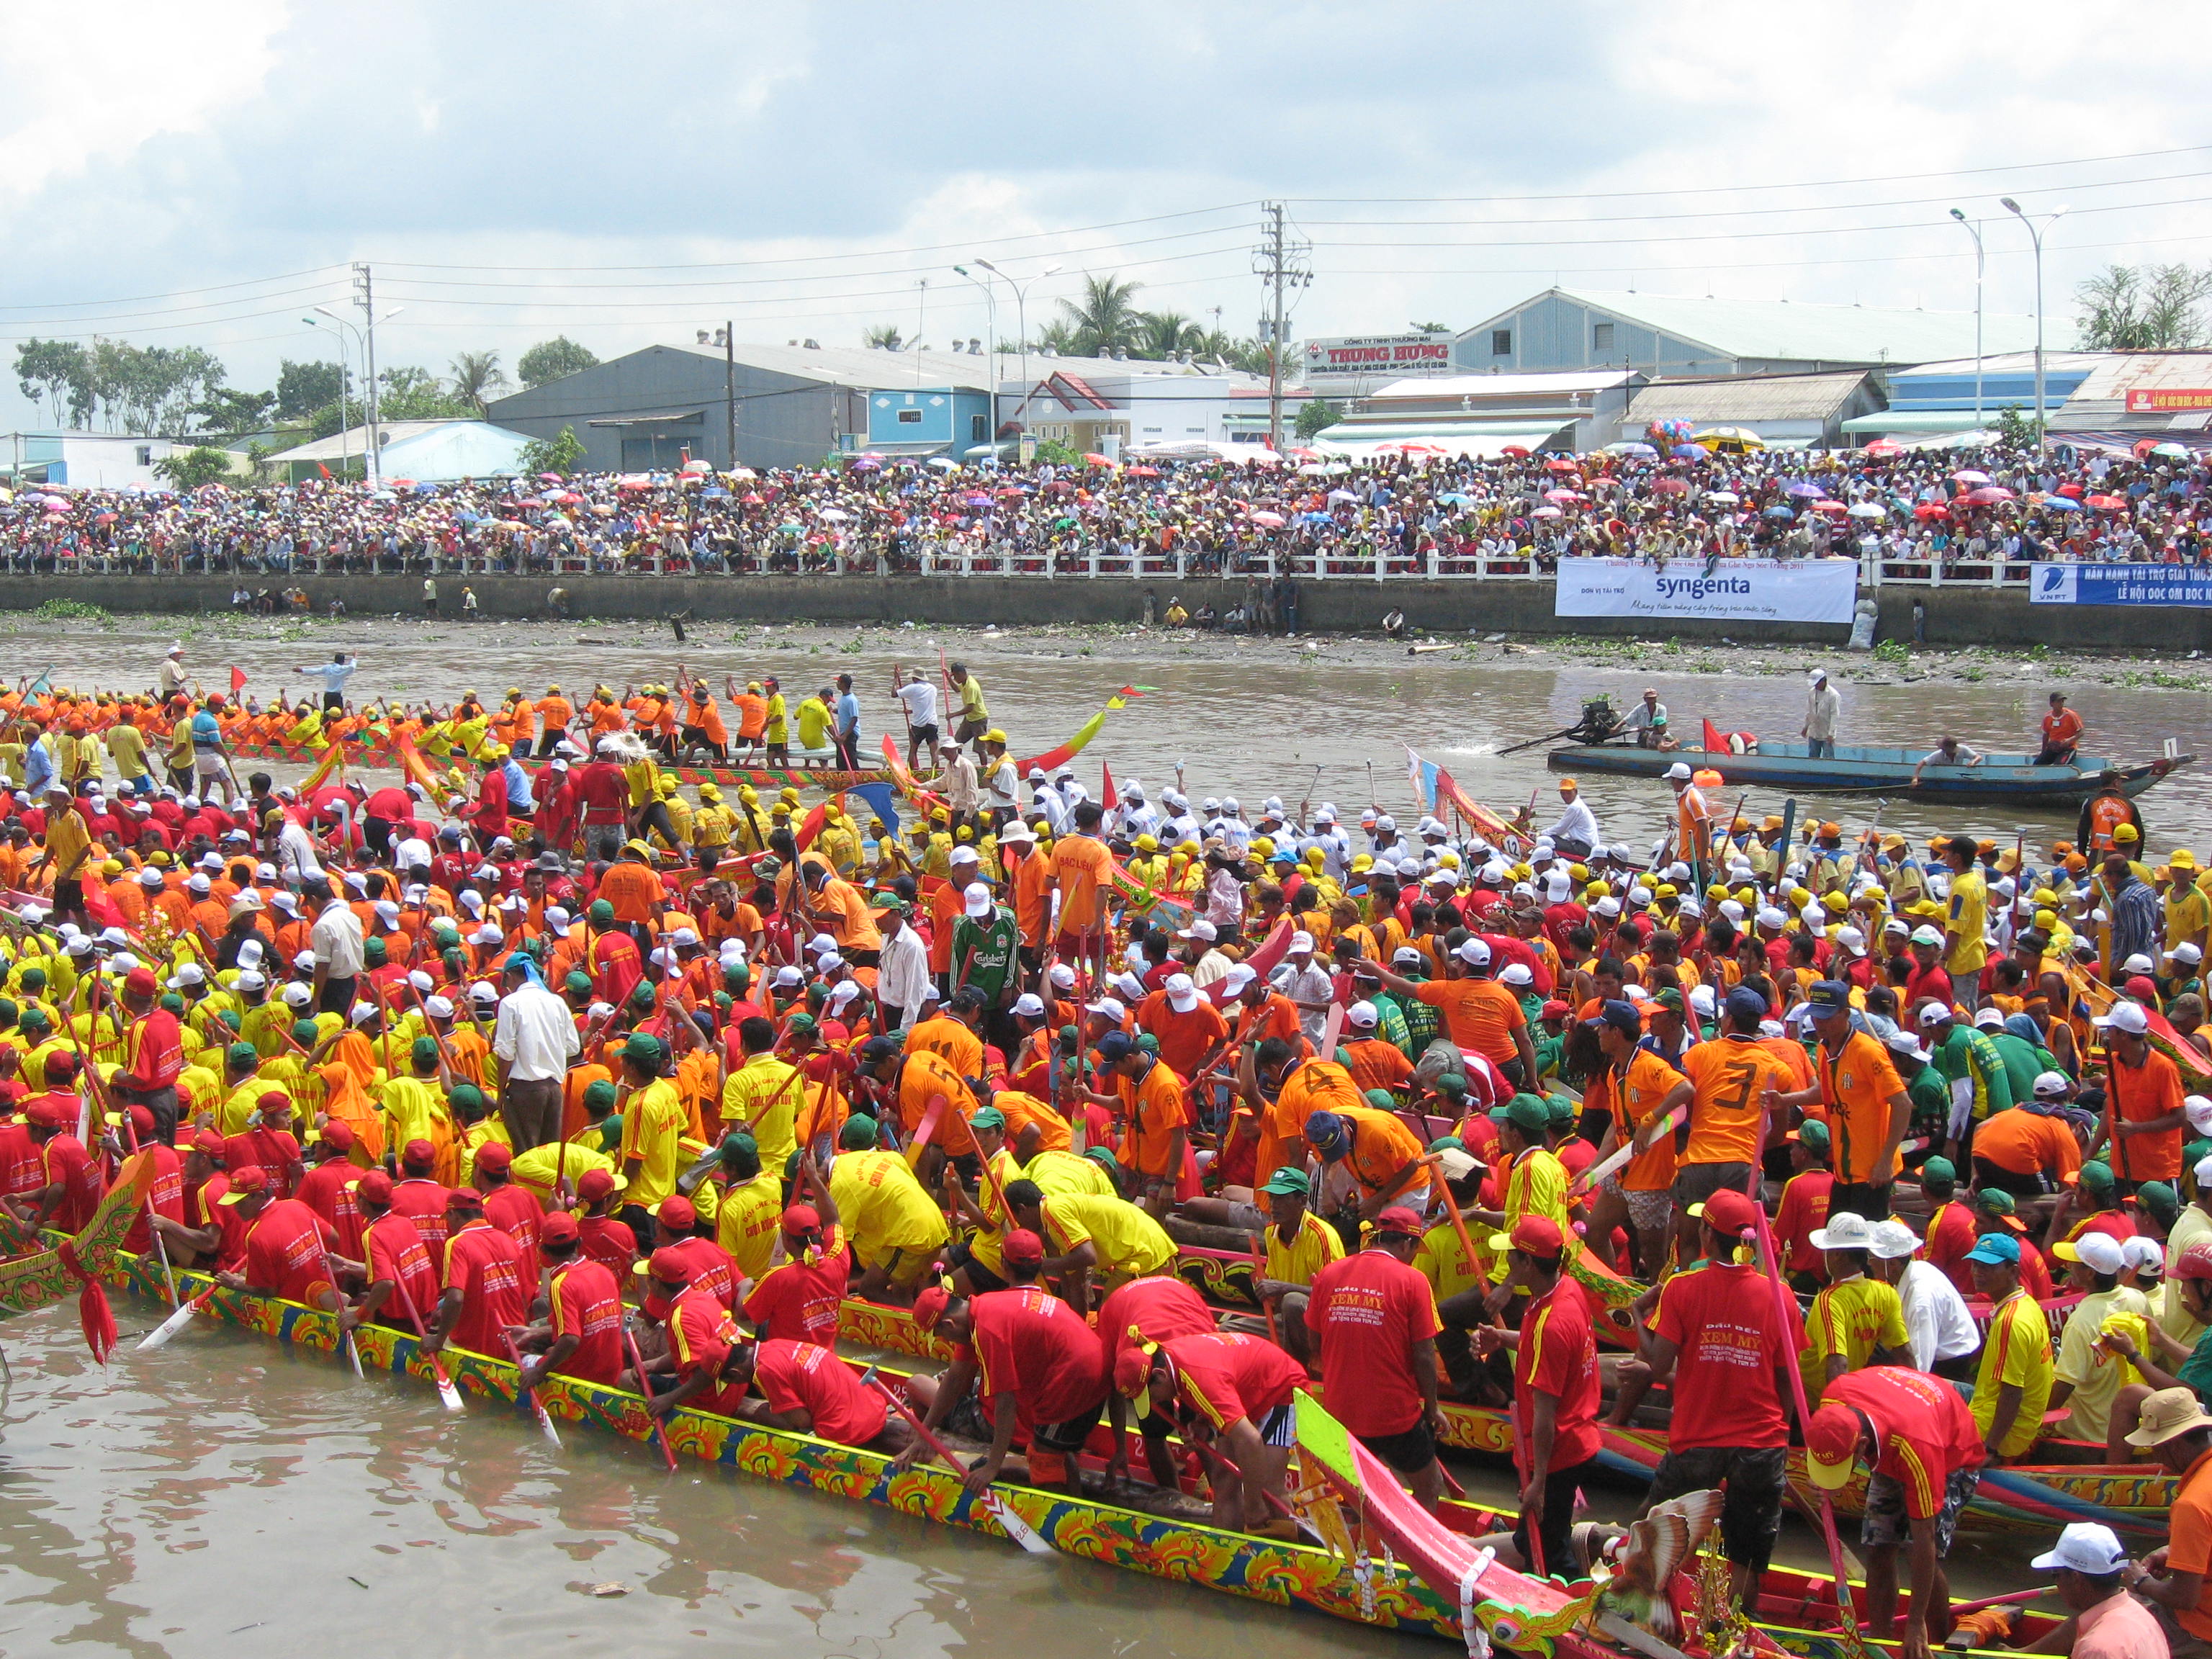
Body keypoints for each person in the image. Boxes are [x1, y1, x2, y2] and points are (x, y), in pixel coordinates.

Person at [1633, 1188, 1803, 1604]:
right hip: (1761, 1442)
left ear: (1707, 1236)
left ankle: (1640, 1606)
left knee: (1654, 1530)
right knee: (1746, 1554)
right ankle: (1738, 1628)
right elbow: (1789, 1381)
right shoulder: (1780, 1296)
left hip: (1699, 1439)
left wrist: (1638, 1318)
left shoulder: (1681, 1287)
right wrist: (1780, 1436)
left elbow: (1656, 1367)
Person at [1803, 1365, 1984, 1659]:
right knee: (1878, 1546)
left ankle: (1936, 1640)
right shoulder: (1833, 1402)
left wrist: (1914, 1624)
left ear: (1862, 1448)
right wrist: (1825, 1480)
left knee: (1919, 1552)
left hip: (1948, 1455)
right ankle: (1880, 1638)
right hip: (1894, 1430)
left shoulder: (1917, 1450)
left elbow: (1925, 1540)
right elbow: (1828, 1448)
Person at [1468, 1215, 1599, 1576]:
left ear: (1528, 1263)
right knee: (1537, 1539)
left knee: (1550, 1550)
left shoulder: (1551, 1323)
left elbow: (1545, 1415)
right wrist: (1503, 1339)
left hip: (1557, 1451)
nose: (1507, 1263)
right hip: (1577, 1439)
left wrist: (1538, 1482)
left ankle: (1579, 1616)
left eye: (1512, 1256)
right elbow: (1550, 1351)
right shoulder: (1566, 1290)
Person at [1303, 1205, 1448, 1507]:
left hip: (1341, 1409)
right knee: (1430, 1486)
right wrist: (1433, 1408)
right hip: (1395, 1414)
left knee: (1351, 1493)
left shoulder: (1330, 1273)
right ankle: (1416, 1551)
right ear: (1407, 1243)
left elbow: (1313, 1340)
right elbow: (1424, 1354)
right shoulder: (1413, 1281)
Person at [2122, 1388, 2212, 1657]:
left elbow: (2184, 1599)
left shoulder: (2191, 1503)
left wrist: (2140, 1581)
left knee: (2107, 1611)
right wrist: (2174, 1552)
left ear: (2172, 1445)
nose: (2154, 1456)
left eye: (2155, 1447)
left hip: (2200, 1627)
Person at [1966, 1231, 2056, 1465]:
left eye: (1988, 1267)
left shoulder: (2010, 1322)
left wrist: (1991, 1449)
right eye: (1976, 1264)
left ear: (2014, 1271)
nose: (1978, 1272)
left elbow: (2012, 1393)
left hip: (1999, 1435)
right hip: (2002, 1414)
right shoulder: (2027, 1303)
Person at [2027, 1523, 2167, 1659]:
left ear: (2076, 1578)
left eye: (2055, 1574)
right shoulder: (2139, 1614)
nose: (2057, 1584)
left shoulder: (2097, 1649)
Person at [2038, 692, 2085, 768]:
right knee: (2037, 764)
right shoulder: (2047, 717)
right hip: (2053, 748)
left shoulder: (2071, 715)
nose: (2061, 704)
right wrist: (2043, 752)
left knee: (2060, 767)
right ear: (2051, 704)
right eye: (2058, 702)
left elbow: (2081, 732)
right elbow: (2046, 735)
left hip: (2068, 748)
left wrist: (2069, 740)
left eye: (2062, 701)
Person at [1802, 669, 1840, 759]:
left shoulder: (1833, 695)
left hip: (1826, 733)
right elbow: (1809, 712)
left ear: (1824, 681)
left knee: (1828, 758)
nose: (1816, 686)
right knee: (1812, 757)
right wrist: (1806, 727)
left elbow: (1835, 715)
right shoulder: (1812, 692)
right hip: (1814, 731)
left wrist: (1831, 733)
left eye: (1817, 683)